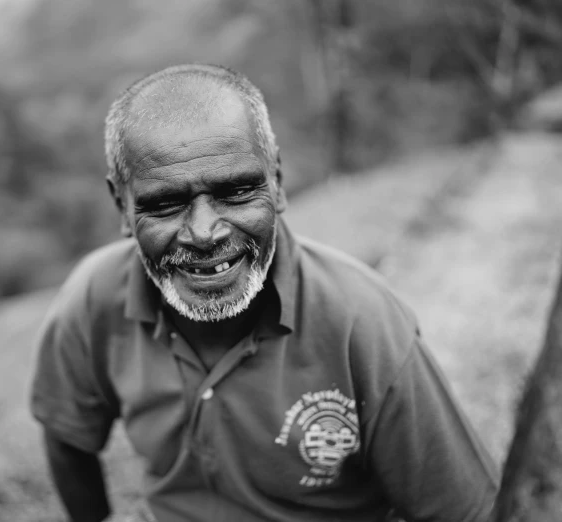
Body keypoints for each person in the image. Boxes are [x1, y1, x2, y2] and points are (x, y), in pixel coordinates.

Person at [30, 64, 499, 522]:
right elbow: (66, 437)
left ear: (276, 182)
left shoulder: (362, 323)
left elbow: (463, 509)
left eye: (236, 192)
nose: (205, 233)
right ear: (121, 206)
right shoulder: (94, 298)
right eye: (167, 203)